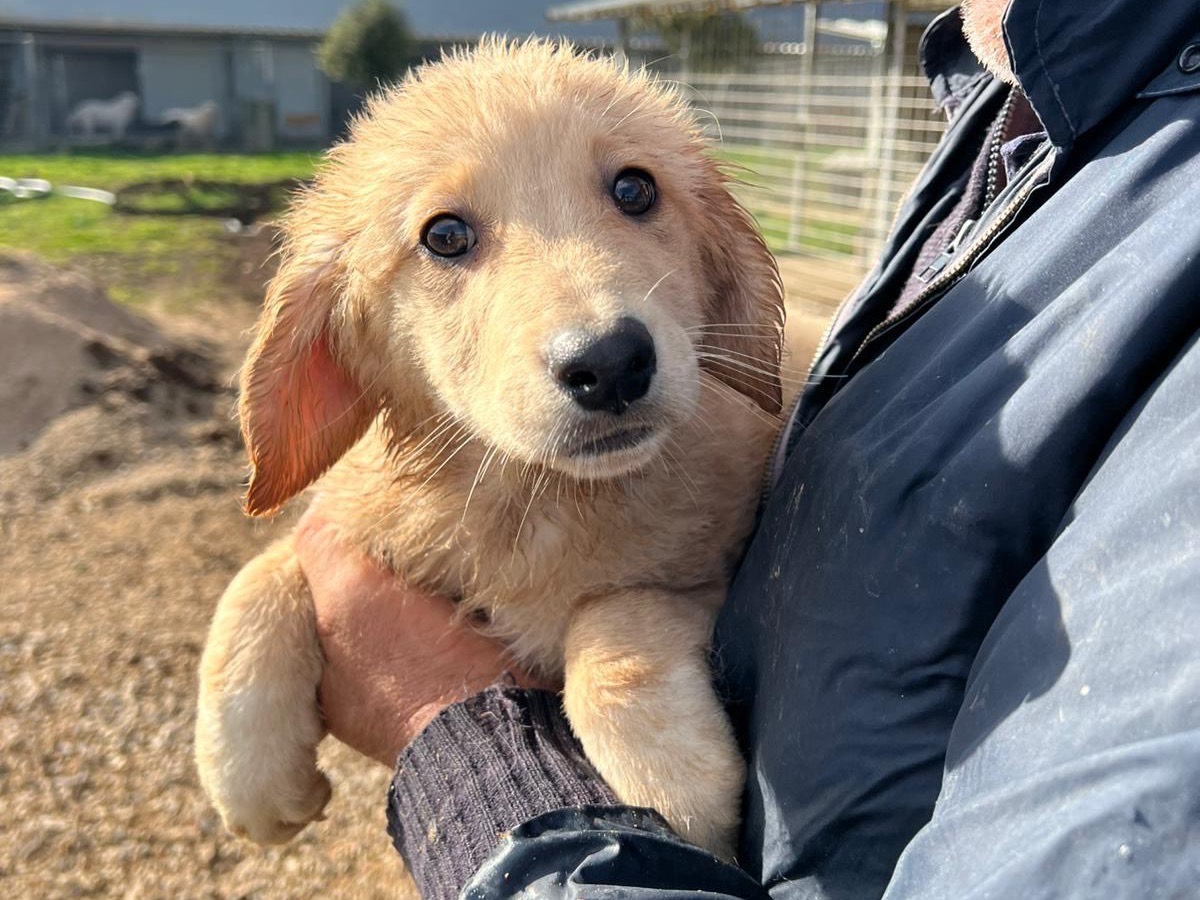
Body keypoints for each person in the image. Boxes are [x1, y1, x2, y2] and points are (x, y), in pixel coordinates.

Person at [295, 1, 1200, 897]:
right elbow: (339, 541)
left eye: (633, 193)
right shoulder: (1011, 106)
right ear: (337, 336)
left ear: (723, 267)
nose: (592, 320)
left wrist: (481, 729)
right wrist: (273, 605)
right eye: (448, 237)